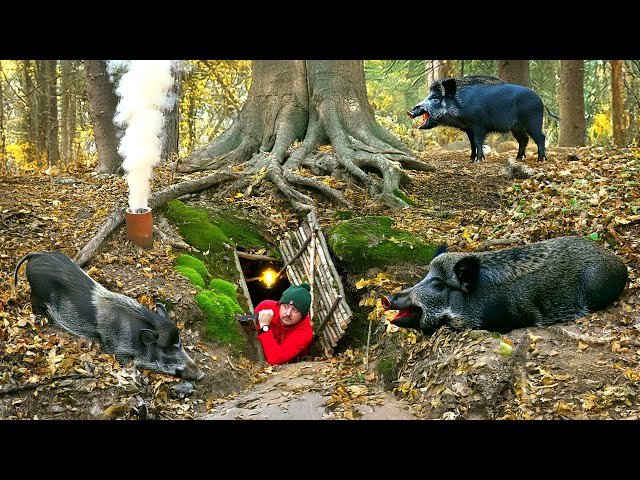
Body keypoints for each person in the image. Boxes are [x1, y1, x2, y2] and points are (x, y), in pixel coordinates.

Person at [254, 282, 313, 365]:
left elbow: (275, 359)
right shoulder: (265, 308)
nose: (288, 313)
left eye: (295, 310)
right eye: (285, 306)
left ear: (302, 315)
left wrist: (265, 327)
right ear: (279, 304)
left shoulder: (304, 332)